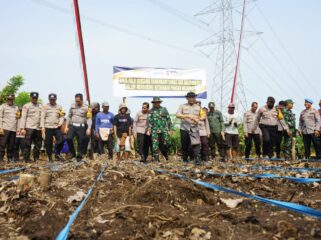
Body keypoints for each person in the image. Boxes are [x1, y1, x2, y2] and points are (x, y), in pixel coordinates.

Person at [176, 92, 201, 165]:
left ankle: (197, 160)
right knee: (185, 145)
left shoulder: (198, 107)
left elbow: (202, 117)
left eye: (193, 97)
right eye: (190, 97)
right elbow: (177, 114)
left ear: (195, 98)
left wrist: (198, 120)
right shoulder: (182, 106)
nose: (191, 99)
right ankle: (185, 159)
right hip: (184, 128)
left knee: (196, 145)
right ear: (187, 98)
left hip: (195, 129)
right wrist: (187, 116)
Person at [65, 93, 92, 161]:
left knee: (81, 141)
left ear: (82, 100)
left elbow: (89, 118)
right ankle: (72, 153)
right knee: (68, 138)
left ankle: (79, 155)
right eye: (76, 101)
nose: (77, 102)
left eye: (78, 101)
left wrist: (89, 128)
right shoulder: (72, 106)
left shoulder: (86, 107)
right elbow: (69, 116)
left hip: (81, 127)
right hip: (73, 126)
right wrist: (66, 126)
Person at [147, 97, 173, 162]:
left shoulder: (164, 109)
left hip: (164, 130)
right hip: (154, 131)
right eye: (155, 102)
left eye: (157, 102)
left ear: (159, 102)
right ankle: (156, 159)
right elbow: (149, 121)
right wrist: (149, 129)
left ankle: (166, 154)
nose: (156, 104)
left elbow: (168, 119)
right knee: (155, 145)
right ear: (153, 103)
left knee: (166, 143)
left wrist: (171, 129)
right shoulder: (151, 111)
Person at [40, 93, 65, 162]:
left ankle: (56, 152)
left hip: (56, 127)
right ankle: (50, 157)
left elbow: (62, 116)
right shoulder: (45, 107)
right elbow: (42, 117)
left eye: (53, 99)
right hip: (48, 127)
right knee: (48, 143)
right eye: (51, 99)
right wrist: (42, 127)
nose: (52, 101)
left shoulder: (59, 107)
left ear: (56, 99)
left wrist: (60, 123)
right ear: (49, 99)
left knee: (61, 140)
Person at [20, 92, 42, 162]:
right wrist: (22, 128)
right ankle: (26, 158)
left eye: (36, 98)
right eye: (33, 98)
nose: (34, 99)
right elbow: (23, 117)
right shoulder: (26, 106)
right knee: (27, 144)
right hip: (29, 127)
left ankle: (36, 158)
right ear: (30, 98)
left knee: (38, 144)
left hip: (38, 128)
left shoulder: (40, 105)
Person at [0, 94, 20, 162]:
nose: (10, 100)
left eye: (11, 99)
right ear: (6, 99)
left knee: (11, 145)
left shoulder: (16, 107)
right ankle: (1, 158)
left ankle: (10, 158)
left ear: (13, 99)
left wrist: (18, 129)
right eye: (8, 99)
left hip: (13, 129)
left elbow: (18, 118)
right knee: (2, 144)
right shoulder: (3, 106)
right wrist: (1, 128)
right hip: (5, 128)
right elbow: (0, 117)